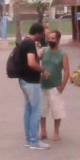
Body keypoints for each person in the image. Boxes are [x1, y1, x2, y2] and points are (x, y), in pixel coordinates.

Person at [18, 22, 51, 150]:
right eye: (42, 34)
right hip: (31, 81)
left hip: (24, 79)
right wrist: (42, 70)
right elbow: (31, 62)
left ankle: (29, 138)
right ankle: (34, 140)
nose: (42, 36)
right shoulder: (30, 43)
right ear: (37, 33)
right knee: (36, 110)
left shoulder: (23, 42)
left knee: (28, 110)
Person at [39, 30, 70, 141]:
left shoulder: (63, 54)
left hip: (55, 86)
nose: (50, 40)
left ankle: (56, 132)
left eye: (53, 38)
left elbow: (66, 71)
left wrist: (62, 86)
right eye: (49, 38)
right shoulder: (43, 50)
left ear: (58, 40)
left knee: (57, 111)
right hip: (42, 85)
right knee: (42, 110)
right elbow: (35, 59)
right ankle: (43, 131)